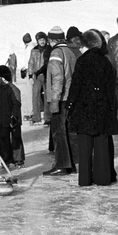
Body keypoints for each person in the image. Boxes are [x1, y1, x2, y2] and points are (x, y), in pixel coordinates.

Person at [65, 30, 117, 187]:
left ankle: (85, 178)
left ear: (86, 44)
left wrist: (70, 104)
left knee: (85, 144)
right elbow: (110, 87)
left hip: (84, 107)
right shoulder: (105, 61)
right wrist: (110, 107)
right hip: (102, 106)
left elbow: (76, 86)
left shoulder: (82, 61)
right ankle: (103, 178)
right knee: (101, 143)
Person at [44, 26, 76, 176]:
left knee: (58, 132)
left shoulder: (56, 53)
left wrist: (55, 100)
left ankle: (62, 165)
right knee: (69, 131)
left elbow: (57, 77)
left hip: (61, 97)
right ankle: (71, 163)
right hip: (70, 97)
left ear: (52, 40)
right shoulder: (70, 51)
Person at [0, 65, 24, 168]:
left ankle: (18, 159)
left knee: (16, 139)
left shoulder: (13, 89)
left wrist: (14, 116)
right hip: (3, 120)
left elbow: (17, 103)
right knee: (4, 140)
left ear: (2, 78)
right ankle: (5, 159)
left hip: (13, 119)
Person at [26, 31, 49, 125]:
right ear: (37, 41)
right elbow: (31, 63)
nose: (42, 41)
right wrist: (30, 75)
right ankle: (36, 116)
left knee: (47, 96)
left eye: (43, 39)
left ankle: (48, 117)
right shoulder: (34, 51)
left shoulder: (49, 50)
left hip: (47, 75)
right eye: (40, 40)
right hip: (37, 75)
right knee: (35, 95)